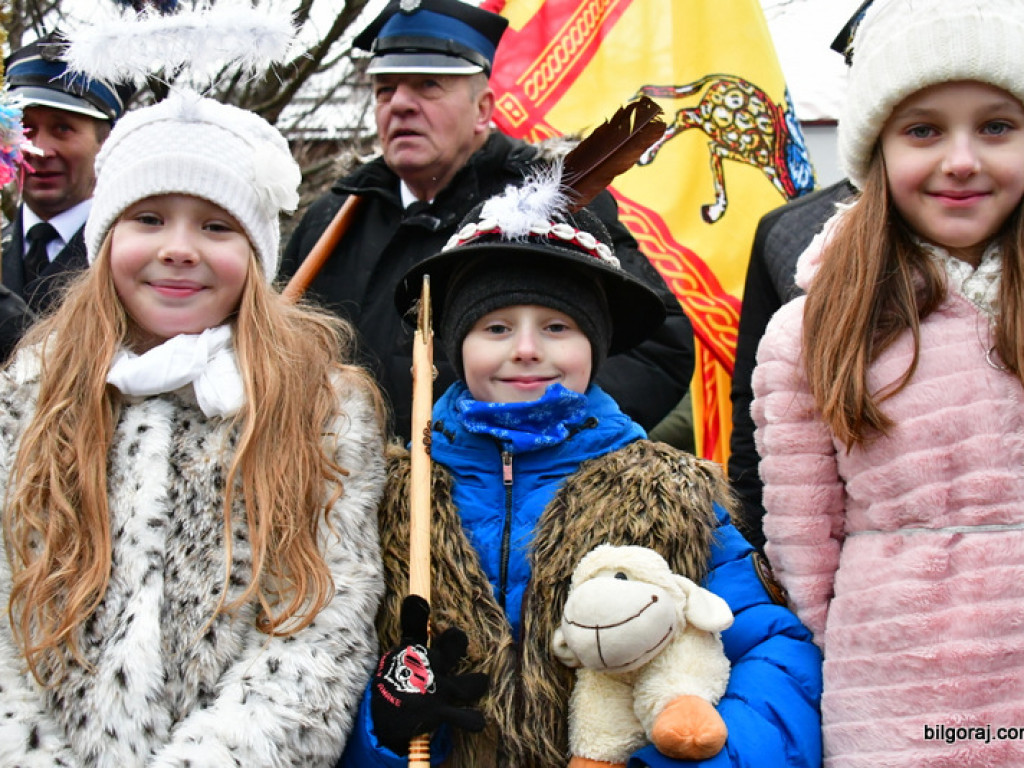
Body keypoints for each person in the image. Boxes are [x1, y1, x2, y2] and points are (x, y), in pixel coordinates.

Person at [339, 161, 823, 767]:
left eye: (556, 326)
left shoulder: (668, 495)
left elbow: (774, 651)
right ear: (454, 345)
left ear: (593, 343)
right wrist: (378, 734)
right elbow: (323, 668)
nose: (525, 349)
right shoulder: (389, 498)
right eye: (495, 326)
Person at [0, 90, 386, 766]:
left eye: (216, 226)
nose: (179, 249)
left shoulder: (316, 409)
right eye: (149, 218)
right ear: (108, 236)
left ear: (256, 251)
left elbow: (318, 633)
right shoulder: (31, 395)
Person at [752, 0, 1024, 764]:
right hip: (895, 701)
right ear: (875, 151)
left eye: (997, 126)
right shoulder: (811, 332)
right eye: (924, 129)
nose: (962, 159)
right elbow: (804, 554)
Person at [279, 0, 695, 441]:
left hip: (509, 494)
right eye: (384, 89)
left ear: (482, 109)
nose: (399, 104)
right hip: (348, 495)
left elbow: (657, 346)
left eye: (428, 86)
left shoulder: (551, 200)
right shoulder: (333, 217)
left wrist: (535, 431)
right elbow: (278, 355)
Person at [728, 178, 854, 549]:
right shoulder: (787, 232)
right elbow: (755, 413)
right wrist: (749, 552)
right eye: (921, 130)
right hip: (840, 561)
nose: (960, 163)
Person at [1, 31, 134, 317]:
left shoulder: (133, 258)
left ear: (106, 142)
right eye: (25, 129)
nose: (40, 150)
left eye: (62, 129)